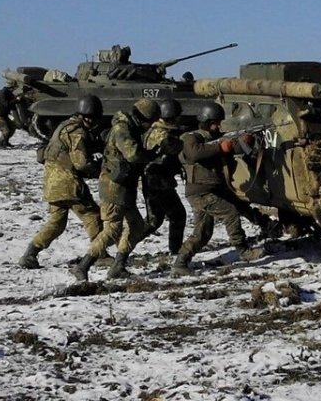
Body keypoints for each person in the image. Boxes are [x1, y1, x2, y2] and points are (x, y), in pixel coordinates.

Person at [170, 101, 267, 275]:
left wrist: (245, 141)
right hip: (200, 191)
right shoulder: (190, 137)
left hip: (212, 189)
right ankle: (243, 250)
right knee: (230, 212)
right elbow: (194, 153)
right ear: (206, 121)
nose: (218, 126)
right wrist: (220, 146)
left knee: (203, 233)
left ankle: (180, 263)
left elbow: (233, 149)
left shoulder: (217, 138)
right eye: (216, 123)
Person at [72, 98, 160, 281]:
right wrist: (152, 154)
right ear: (143, 118)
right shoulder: (123, 129)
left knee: (136, 226)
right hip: (113, 186)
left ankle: (118, 266)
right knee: (112, 229)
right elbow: (133, 153)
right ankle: (83, 265)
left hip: (125, 186)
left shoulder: (131, 127)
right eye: (150, 122)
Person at [18, 94, 105, 269]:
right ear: (90, 116)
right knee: (92, 216)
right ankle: (101, 255)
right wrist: (100, 171)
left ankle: (30, 254)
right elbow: (81, 163)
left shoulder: (64, 126)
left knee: (56, 223)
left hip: (52, 182)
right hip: (68, 184)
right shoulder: (77, 132)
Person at [141, 97, 188, 260]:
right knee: (177, 215)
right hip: (157, 180)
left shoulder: (158, 129)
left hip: (157, 180)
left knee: (155, 220)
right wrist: (186, 140)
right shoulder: (159, 132)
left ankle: (124, 247)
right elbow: (171, 146)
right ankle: (176, 251)